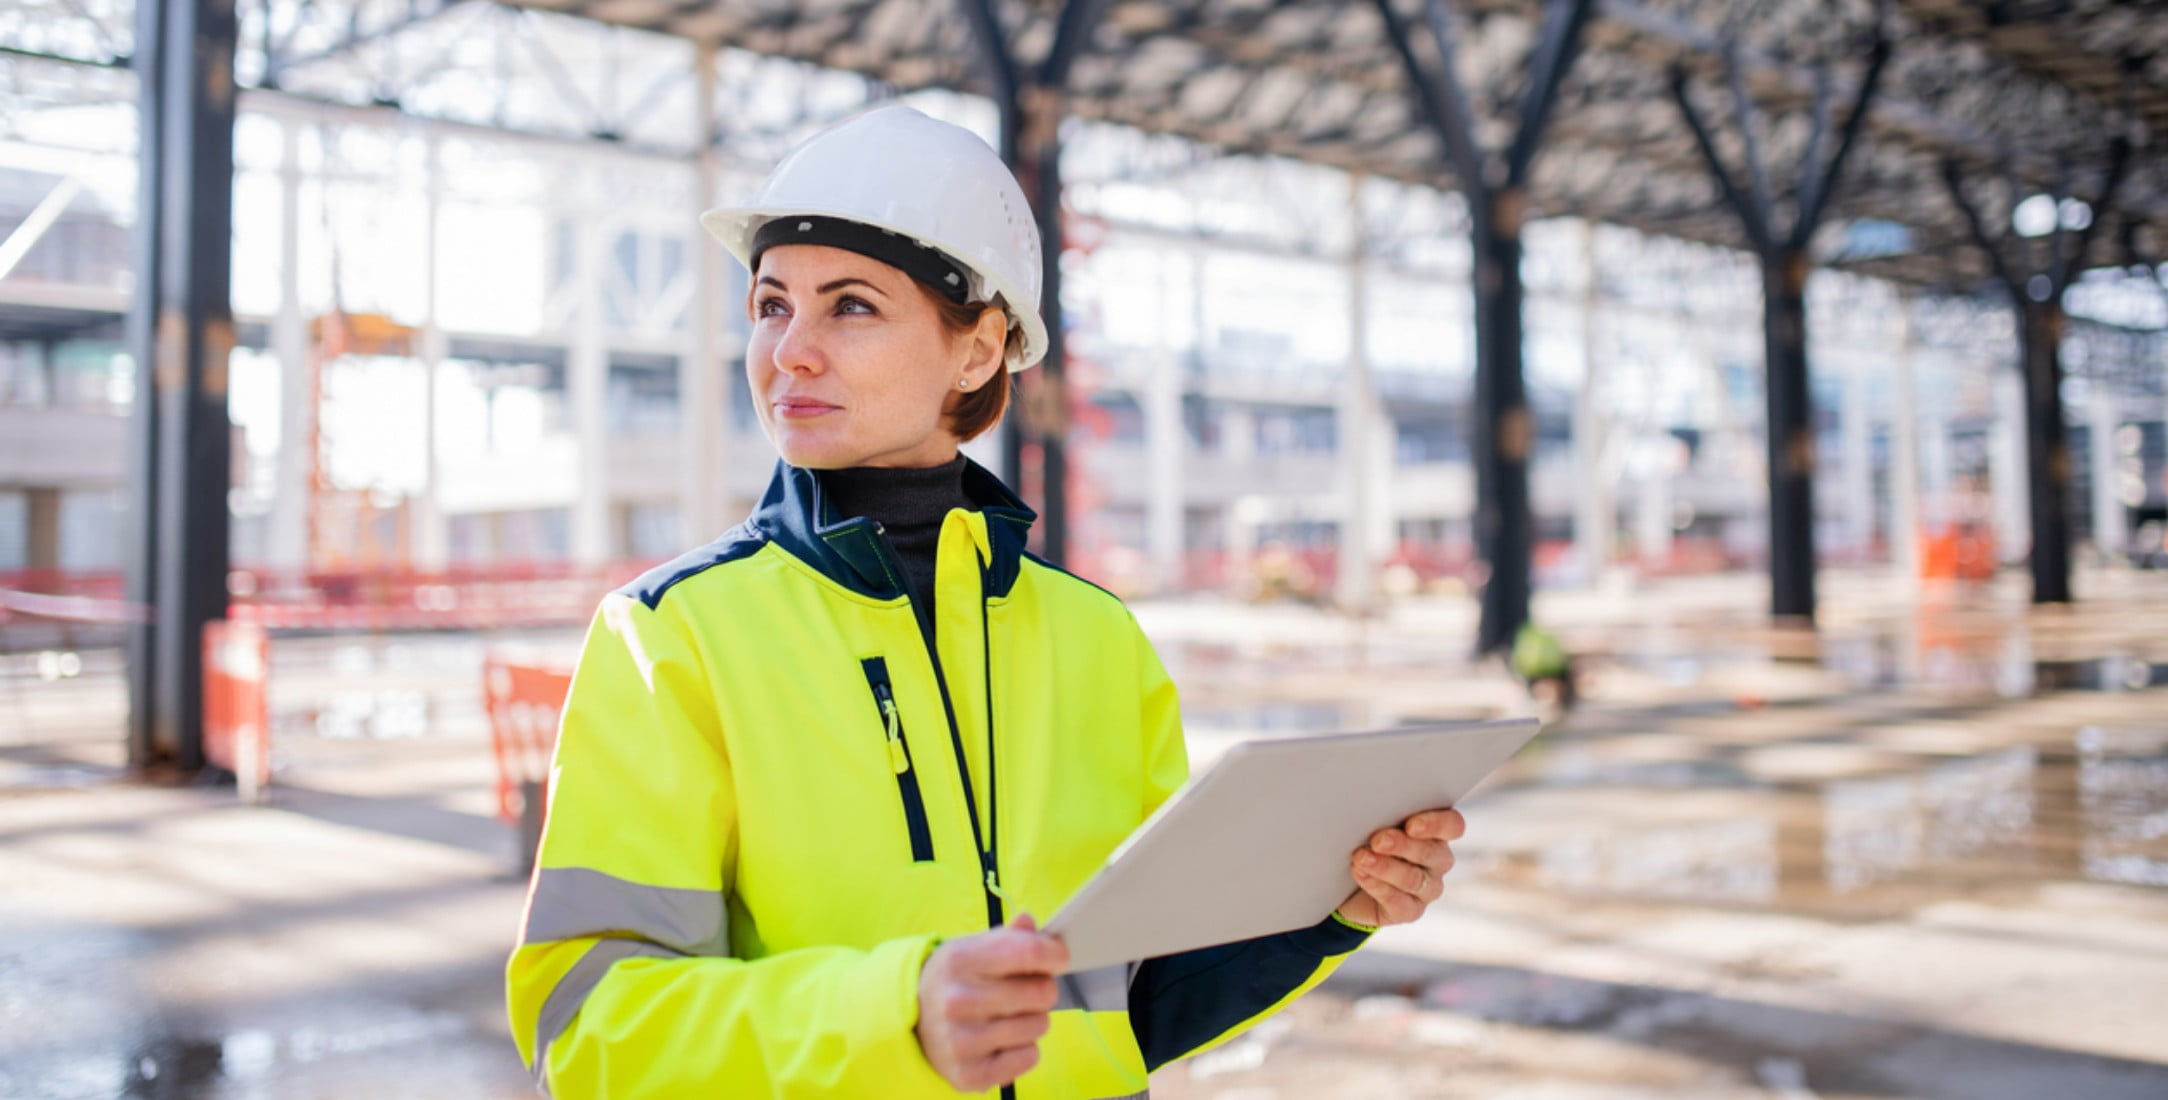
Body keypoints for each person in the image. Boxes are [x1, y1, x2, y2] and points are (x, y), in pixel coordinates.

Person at [505, 105, 1467, 1098]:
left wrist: (1327, 907)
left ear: (977, 350)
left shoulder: (1097, 640)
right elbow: (591, 1030)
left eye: (850, 306)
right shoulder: (673, 637)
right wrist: (895, 1012)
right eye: (769, 304)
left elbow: (1129, 1007)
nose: (788, 349)